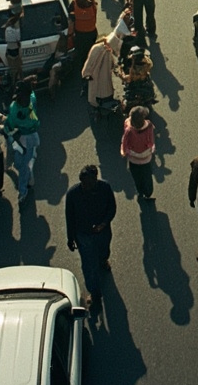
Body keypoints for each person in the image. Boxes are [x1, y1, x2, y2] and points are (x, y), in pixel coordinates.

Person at [65, 164, 117, 308]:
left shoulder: (105, 188)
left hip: (103, 233)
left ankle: (103, 260)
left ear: (96, 179)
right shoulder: (73, 194)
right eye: (84, 183)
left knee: (104, 251)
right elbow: (70, 218)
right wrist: (70, 238)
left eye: (90, 183)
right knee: (88, 266)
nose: (86, 186)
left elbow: (112, 208)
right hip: (84, 236)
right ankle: (95, 294)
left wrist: (104, 224)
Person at [6, 79, 40, 203]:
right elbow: (9, 127)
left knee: (23, 165)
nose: (27, 101)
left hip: (30, 137)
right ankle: (24, 186)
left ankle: (23, 189)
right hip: (20, 138)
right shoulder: (14, 109)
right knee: (22, 165)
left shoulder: (31, 98)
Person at [120, 106, 156, 201]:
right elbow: (151, 141)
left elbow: (124, 142)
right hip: (146, 158)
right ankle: (148, 193)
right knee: (147, 176)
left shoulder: (128, 128)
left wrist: (124, 152)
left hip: (133, 158)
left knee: (137, 177)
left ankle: (140, 192)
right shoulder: (149, 125)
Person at [68, 0, 99, 68]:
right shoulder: (91, 3)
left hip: (85, 35)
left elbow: (70, 18)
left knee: (86, 54)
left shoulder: (76, 4)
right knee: (86, 55)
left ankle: (87, 69)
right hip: (85, 35)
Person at [82, 35, 116, 109]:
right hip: (98, 75)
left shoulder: (106, 49)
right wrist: (87, 73)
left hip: (101, 75)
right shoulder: (98, 49)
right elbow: (90, 62)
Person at [3, 11, 24, 87]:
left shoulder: (7, 29)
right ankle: (20, 81)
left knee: (12, 70)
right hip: (16, 52)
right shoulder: (17, 30)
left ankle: (13, 83)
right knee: (19, 68)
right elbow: (18, 40)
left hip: (10, 52)